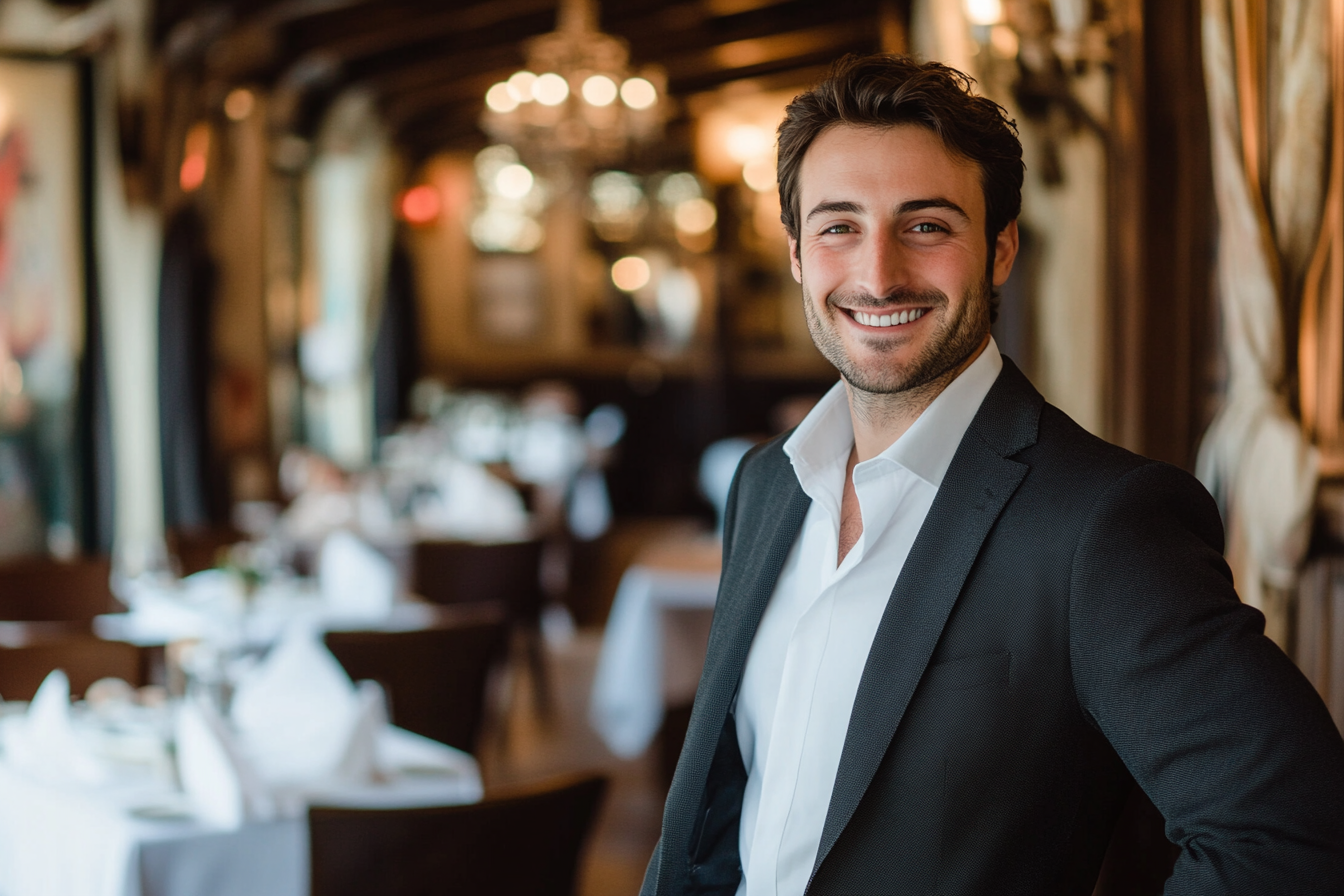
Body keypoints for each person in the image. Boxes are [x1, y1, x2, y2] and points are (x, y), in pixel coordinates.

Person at [641, 54, 1344, 896]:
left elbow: (1290, 831)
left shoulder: (1101, 524)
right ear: (797, 254)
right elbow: (727, 810)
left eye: (927, 225)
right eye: (838, 227)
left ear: (1001, 249)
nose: (877, 274)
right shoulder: (766, 483)